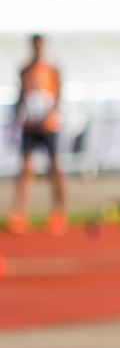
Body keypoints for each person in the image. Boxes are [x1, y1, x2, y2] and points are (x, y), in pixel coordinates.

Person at [8, 35, 66, 234]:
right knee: (25, 169)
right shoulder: (25, 70)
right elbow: (20, 96)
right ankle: (20, 213)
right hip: (30, 126)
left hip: (48, 126)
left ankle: (58, 213)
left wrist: (49, 114)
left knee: (55, 168)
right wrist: (17, 118)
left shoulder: (52, 70)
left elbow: (59, 97)